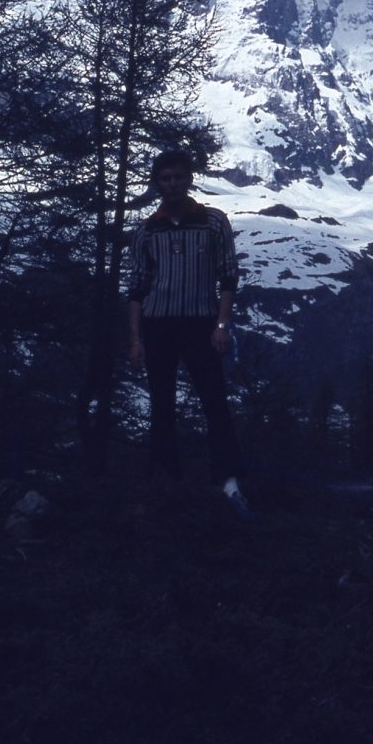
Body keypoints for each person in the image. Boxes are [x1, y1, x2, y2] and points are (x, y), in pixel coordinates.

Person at [128, 149, 251, 517]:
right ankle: (167, 483)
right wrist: (135, 340)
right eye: (165, 178)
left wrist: (222, 324)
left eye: (178, 177)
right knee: (161, 406)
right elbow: (136, 289)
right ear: (157, 183)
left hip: (201, 324)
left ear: (190, 179)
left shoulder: (214, 223)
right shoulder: (147, 230)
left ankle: (228, 482)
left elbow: (228, 275)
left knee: (215, 403)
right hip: (158, 325)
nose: (172, 184)